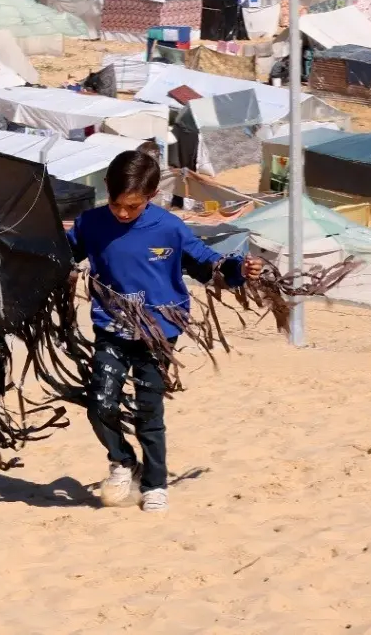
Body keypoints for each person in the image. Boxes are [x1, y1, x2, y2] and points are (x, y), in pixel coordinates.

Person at [68, 143, 261, 514]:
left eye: (133, 206)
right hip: (111, 327)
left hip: (158, 332)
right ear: (107, 187)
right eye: (117, 204)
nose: (123, 213)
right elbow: (60, 253)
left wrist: (240, 269)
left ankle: (156, 485)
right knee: (100, 403)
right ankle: (123, 461)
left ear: (152, 196)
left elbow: (208, 264)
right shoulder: (90, 223)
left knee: (148, 411)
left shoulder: (170, 227)